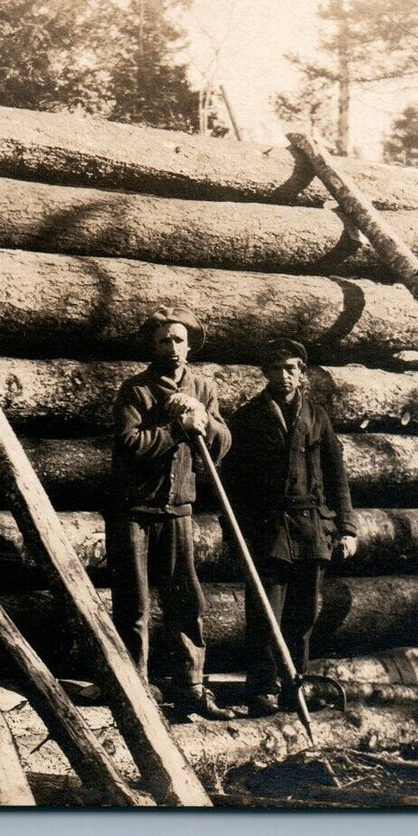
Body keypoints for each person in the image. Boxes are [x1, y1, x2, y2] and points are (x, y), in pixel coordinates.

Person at [107, 305, 234, 720]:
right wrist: (174, 425)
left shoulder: (203, 387)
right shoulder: (135, 390)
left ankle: (192, 686)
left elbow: (220, 443)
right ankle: (136, 688)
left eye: (180, 340)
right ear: (153, 345)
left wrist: (204, 421)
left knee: (186, 600)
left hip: (179, 506)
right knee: (135, 604)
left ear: (190, 343)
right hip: (135, 509)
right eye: (165, 340)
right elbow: (129, 444)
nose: (173, 347)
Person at [222, 338, 358, 717]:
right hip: (268, 531)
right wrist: (237, 537)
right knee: (266, 612)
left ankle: (294, 684)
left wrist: (346, 528)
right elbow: (233, 485)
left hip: (313, 529)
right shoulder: (248, 418)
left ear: (302, 373)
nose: (284, 376)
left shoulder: (317, 416)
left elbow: (337, 476)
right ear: (265, 372)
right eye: (276, 368)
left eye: (291, 368)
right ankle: (262, 688)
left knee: (303, 615)